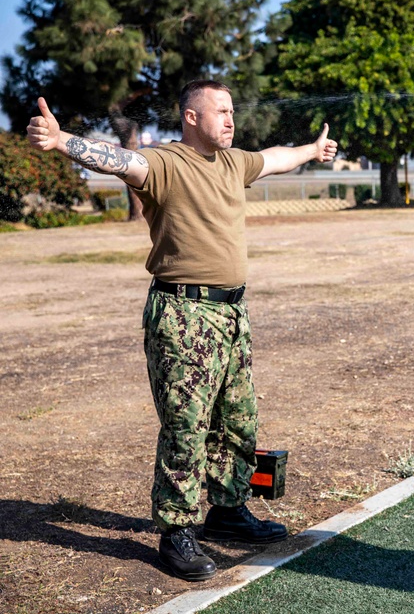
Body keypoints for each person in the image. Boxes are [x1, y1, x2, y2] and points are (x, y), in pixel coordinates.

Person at [26, 80, 338, 582]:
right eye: (220, 111)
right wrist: (64, 141)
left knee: (237, 419)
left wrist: (312, 149)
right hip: (183, 313)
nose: (231, 119)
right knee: (185, 425)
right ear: (191, 117)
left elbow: (276, 157)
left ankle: (228, 511)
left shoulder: (235, 163)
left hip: (232, 313)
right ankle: (176, 532)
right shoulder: (167, 163)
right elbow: (119, 161)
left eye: (233, 110)